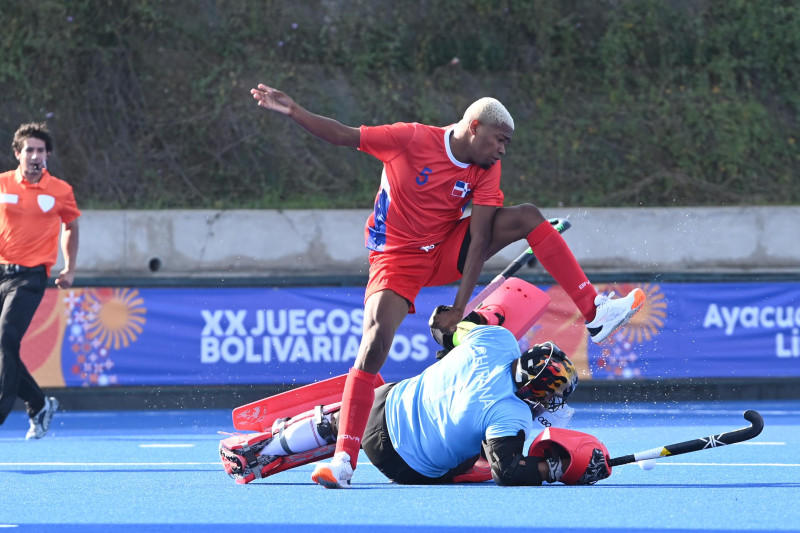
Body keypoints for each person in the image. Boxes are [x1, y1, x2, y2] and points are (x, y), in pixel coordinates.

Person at [250, 84, 644, 488]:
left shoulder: (487, 166)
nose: (503, 150)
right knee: (374, 342)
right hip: (396, 258)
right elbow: (343, 134)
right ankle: (343, 461)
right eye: (500, 140)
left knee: (527, 215)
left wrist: (460, 306)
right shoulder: (410, 138)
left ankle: (595, 312)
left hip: (445, 249)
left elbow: (478, 241)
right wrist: (295, 110)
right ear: (474, 127)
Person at [220, 322, 612, 486]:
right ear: (536, 390)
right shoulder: (512, 414)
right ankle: (308, 436)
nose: (551, 403)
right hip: (403, 467)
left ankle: (272, 445)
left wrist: (453, 350)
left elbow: (452, 330)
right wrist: (555, 467)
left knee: (386, 400)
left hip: (380, 406)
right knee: (483, 464)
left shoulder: (497, 340)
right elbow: (508, 470)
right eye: (550, 395)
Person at [0, 122, 81, 439]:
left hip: (32, 276)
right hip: (1, 271)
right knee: (3, 345)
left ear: (48, 155)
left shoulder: (60, 190)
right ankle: (38, 402)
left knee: (6, 334)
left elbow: (72, 227)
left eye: (41, 150)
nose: (35, 155)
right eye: (29, 150)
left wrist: (69, 269)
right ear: (18, 154)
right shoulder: (3, 183)